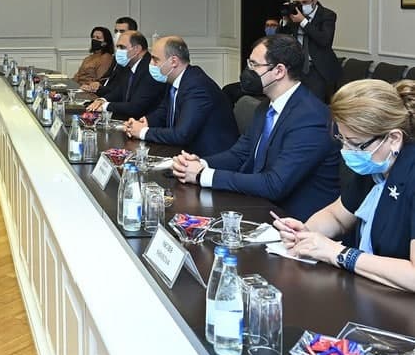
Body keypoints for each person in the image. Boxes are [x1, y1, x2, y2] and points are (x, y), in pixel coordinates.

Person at [172, 35, 341, 221]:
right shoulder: (265, 107)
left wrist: (203, 175)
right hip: (262, 206)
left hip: (297, 221)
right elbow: (240, 154)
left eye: (254, 65)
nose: (248, 71)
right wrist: (200, 164)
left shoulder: (311, 118)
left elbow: (275, 184)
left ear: (279, 71)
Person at [273, 79, 415, 292]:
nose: (346, 151)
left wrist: (338, 253)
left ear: (394, 138)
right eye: (343, 140)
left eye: (356, 144)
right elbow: (337, 217)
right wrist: (305, 233)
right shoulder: (376, 164)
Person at [124, 36, 238, 157]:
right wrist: (145, 122)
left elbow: (182, 135)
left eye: (155, 60)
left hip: (210, 157)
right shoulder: (175, 79)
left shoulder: (197, 86)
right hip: (184, 152)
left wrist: (142, 132)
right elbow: (165, 110)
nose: (151, 64)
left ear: (173, 61)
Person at [278, 0, 341, 101]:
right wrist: (285, 20)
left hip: (318, 68)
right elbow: (280, 39)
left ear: (314, 0)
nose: (301, 6)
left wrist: (303, 21)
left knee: (314, 102)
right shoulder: (295, 14)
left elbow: (324, 40)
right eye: (298, 2)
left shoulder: (327, 15)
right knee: (294, 100)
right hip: (297, 67)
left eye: (305, 2)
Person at [86, 31, 164, 121]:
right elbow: (119, 92)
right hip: (127, 119)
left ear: (137, 49)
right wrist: (102, 100)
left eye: (122, 47)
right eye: (117, 47)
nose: (118, 51)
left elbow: (136, 107)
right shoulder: (129, 65)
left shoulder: (150, 69)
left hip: (143, 122)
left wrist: (105, 106)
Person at [222, 18, 280, 106]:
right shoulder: (259, 45)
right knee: (228, 89)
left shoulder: (280, 47)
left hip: (267, 82)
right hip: (253, 80)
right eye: (267, 25)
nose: (269, 28)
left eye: (273, 25)